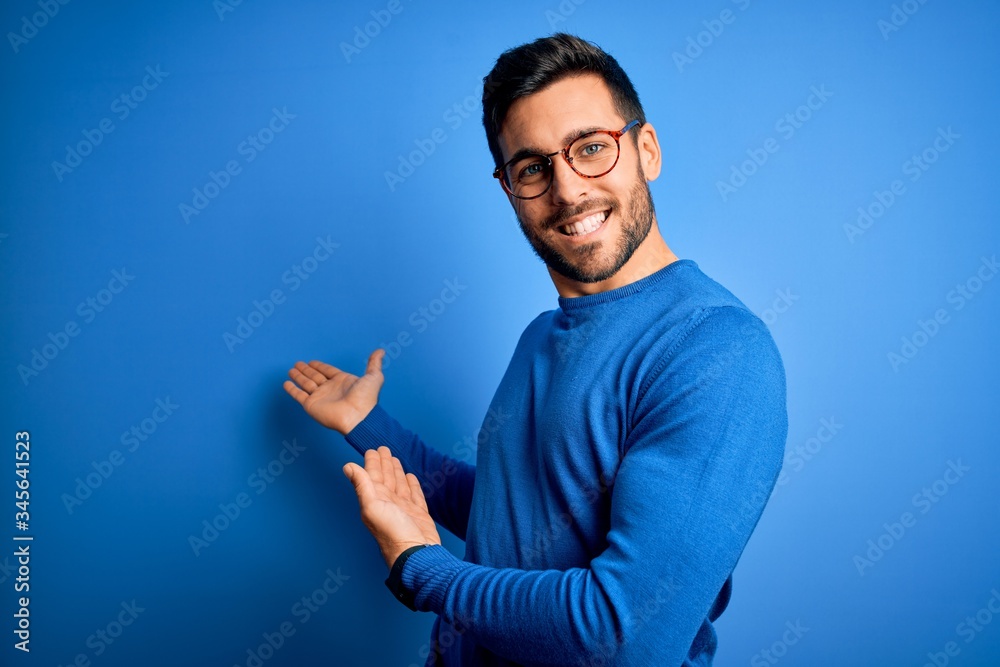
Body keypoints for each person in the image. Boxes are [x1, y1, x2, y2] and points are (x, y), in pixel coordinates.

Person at [283, 33, 787, 667]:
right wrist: (371, 427)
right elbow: (512, 519)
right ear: (509, 188)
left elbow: (625, 633)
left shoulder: (715, 351)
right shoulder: (541, 335)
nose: (568, 189)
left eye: (592, 149)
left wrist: (424, 570)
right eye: (533, 167)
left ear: (647, 150)